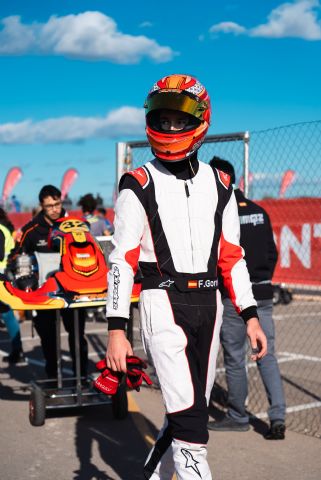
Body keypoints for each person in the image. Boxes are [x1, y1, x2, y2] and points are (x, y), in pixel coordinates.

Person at [105, 74, 267, 479]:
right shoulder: (137, 183)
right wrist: (116, 330)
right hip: (162, 305)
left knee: (185, 416)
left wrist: (250, 314)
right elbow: (121, 261)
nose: (171, 128)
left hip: (209, 307)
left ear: (201, 121)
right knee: (193, 429)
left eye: (180, 120)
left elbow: (233, 257)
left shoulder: (221, 183)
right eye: (163, 119)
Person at [207, 158, 286, 440]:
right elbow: (272, 253)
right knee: (268, 356)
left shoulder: (218, 214)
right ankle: (278, 417)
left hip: (235, 298)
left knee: (235, 359)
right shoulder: (259, 211)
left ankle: (238, 416)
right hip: (263, 292)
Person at [9, 185, 88, 379]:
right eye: (49, 206)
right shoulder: (31, 229)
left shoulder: (75, 225)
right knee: (49, 338)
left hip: (73, 291)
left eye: (57, 204)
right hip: (44, 294)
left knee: (77, 335)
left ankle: (82, 376)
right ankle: (53, 377)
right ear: (41, 206)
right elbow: (15, 257)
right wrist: (23, 275)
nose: (54, 209)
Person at [0, 207, 24, 364]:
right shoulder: (4, 228)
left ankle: (17, 350)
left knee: (7, 314)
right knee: (7, 314)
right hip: (4, 274)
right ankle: (17, 350)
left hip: (1, 275)